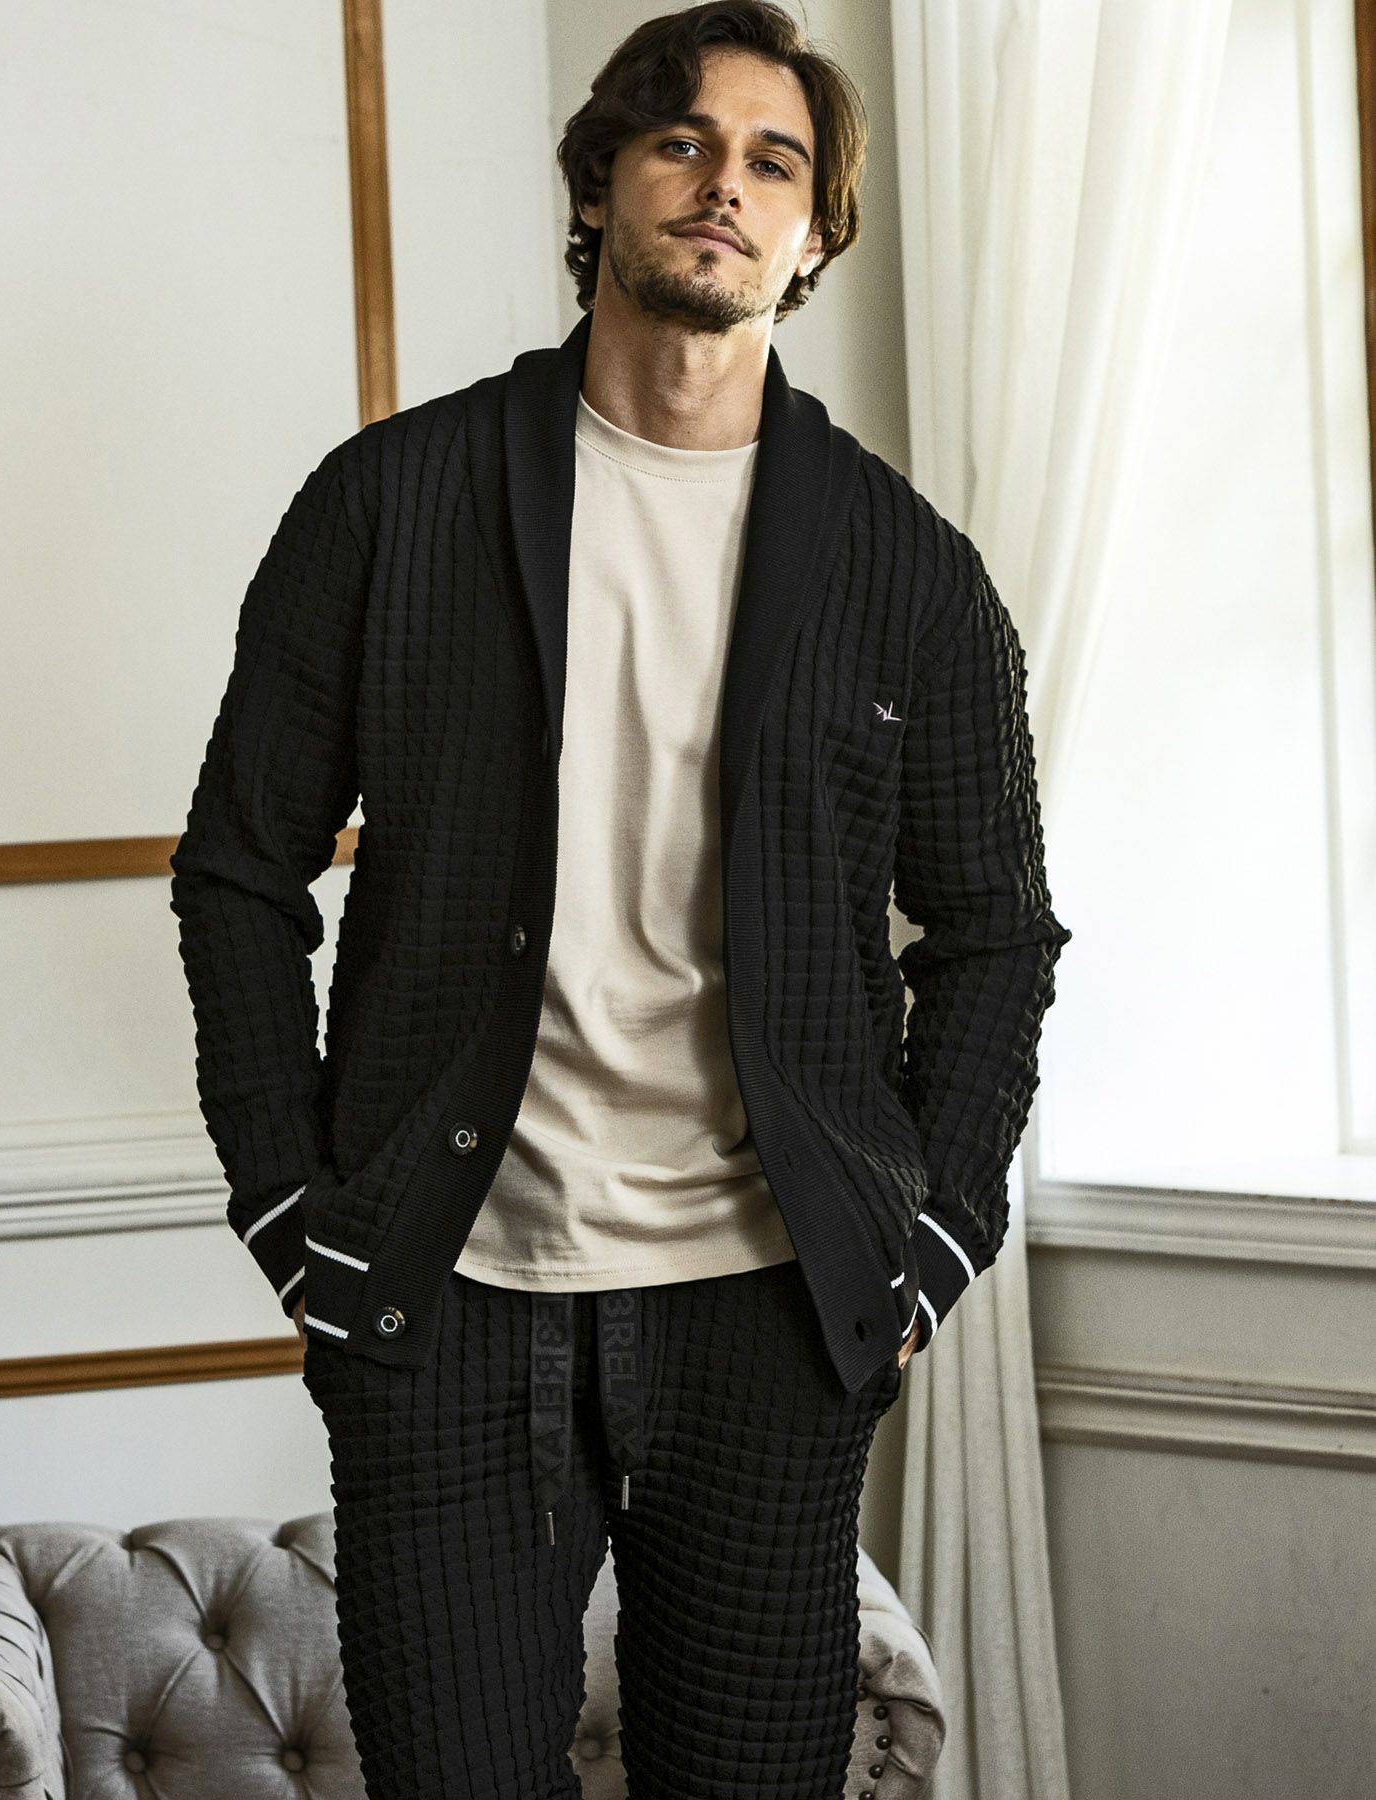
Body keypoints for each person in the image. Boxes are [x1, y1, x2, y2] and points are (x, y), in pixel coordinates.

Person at [169, 4, 1070, 1795]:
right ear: (599, 188)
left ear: (812, 237)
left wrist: (935, 1237)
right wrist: (285, 1200)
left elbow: (997, 935)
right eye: (680, 142)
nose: (725, 183)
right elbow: (238, 871)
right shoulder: (391, 505)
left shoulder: (911, 572)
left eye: (774, 161)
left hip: (773, 1306)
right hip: (446, 1290)